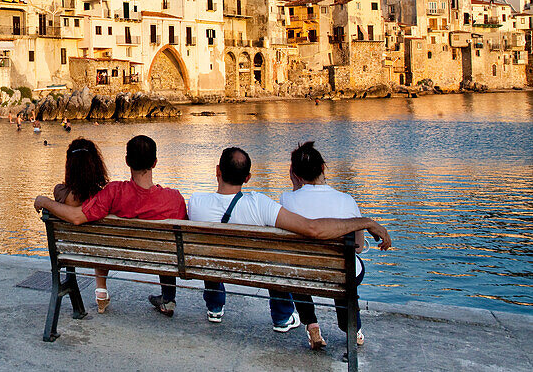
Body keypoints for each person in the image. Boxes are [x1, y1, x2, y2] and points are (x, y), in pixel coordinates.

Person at [187, 147, 390, 331]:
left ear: (217, 171)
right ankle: (282, 317)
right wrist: (365, 222)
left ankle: (215, 307)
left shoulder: (195, 202)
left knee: (214, 250)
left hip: (213, 265)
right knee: (276, 257)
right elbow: (313, 228)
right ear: (248, 178)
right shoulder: (260, 204)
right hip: (258, 269)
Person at [35, 135, 187, 317]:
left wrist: (45, 201)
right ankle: (168, 298)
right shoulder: (175, 199)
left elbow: (76, 217)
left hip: (122, 256)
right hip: (162, 258)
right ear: (155, 163)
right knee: (166, 246)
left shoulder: (114, 193)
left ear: (127, 161)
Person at [279, 141, 369, 350]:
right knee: (347, 271)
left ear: (294, 174)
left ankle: (311, 323)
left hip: (304, 271)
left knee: (299, 265)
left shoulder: (286, 199)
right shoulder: (346, 200)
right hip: (340, 273)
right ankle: (352, 329)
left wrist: (295, 188)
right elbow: (358, 246)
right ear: (322, 168)